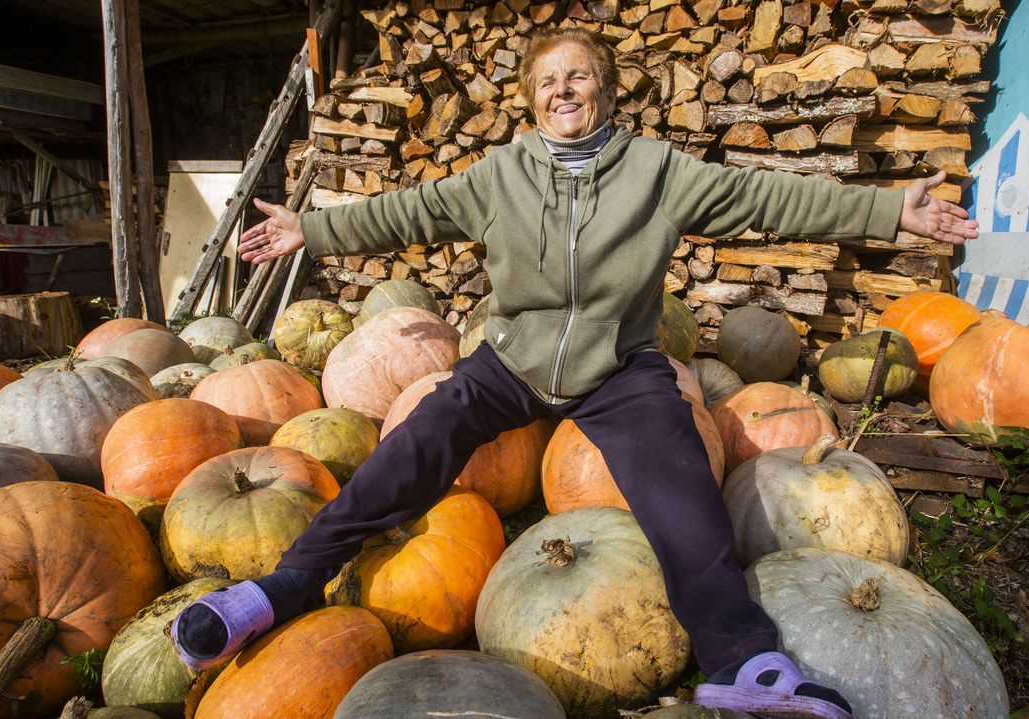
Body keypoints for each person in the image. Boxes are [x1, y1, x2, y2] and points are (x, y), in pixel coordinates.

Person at [171, 27, 977, 718]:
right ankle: (288, 585)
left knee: (684, 491)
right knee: (415, 443)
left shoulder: (657, 173)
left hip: (620, 367)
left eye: (579, 76)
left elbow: (768, 197)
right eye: (549, 80)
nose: (564, 90)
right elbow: (406, 210)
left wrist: (888, 209)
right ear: (531, 98)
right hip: (512, 358)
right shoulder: (499, 175)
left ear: (607, 91)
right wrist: (310, 229)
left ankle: (742, 662)